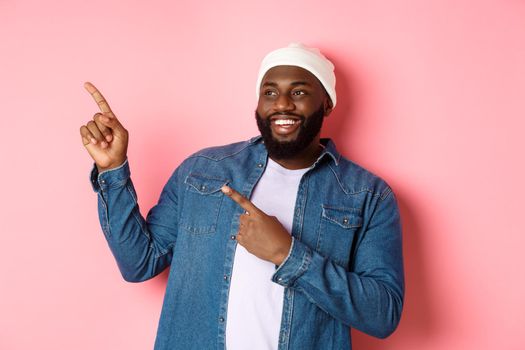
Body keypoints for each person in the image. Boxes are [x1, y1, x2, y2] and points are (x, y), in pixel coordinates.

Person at [80, 43, 404, 350]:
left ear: (327, 104)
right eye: (270, 92)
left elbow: (383, 314)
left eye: (300, 92)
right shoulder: (202, 171)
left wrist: (288, 254)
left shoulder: (368, 195)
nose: (282, 104)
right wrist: (113, 169)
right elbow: (140, 263)